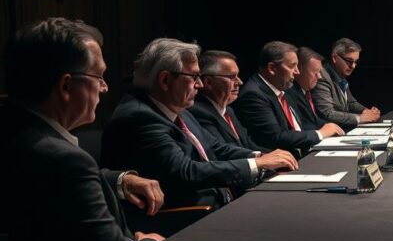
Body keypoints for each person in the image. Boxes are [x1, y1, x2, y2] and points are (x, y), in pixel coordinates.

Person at [0, 18, 174, 241]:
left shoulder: (15, 132)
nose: (106, 88)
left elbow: (46, 181)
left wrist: (120, 179)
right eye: (99, 77)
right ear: (66, 85)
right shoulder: (65, 161)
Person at [103, 39, 298, 207]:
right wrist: (256, 163)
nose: (200, 84)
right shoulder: (140, 117)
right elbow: (186, 171)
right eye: (194, 77)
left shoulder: (177, 108)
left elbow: (216, 147)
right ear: (165, 80)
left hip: (219, 202)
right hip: (189, 217)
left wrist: (261, 157)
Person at [234, 41, 344, 154]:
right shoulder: (254, 95)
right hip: (281, 163)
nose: (296, 72)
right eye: (292, 66)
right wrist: (320, 133)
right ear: (272, 68)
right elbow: (276, 138)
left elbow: (301, 126)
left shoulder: (283, 88)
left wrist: (328, 128)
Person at [190, 50, 267, 152]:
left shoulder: (229, 111)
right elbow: (224, 152)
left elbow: (249, 146)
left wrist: (280, 156)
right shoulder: (199, 112)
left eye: (237, 76)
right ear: (208, 82)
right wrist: (263, 159)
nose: (239, 82)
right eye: (232, 77)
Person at [312, 37, 381, 131]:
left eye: (356, 62)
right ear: (335, 58)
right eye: (349, 61)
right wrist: (359, 118)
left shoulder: (340, 75)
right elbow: (327, 113)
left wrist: (367, 112)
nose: (353, 66)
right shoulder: (322, 77)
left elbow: (351, 103)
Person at [288, 46, 331, 129]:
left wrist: (331, 126)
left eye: (319, 72)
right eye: (315, 72)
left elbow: (315, 121)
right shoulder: (290, 94)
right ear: (298, 69)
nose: (319, 77)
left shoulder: (305, 91)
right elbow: (305, 126)